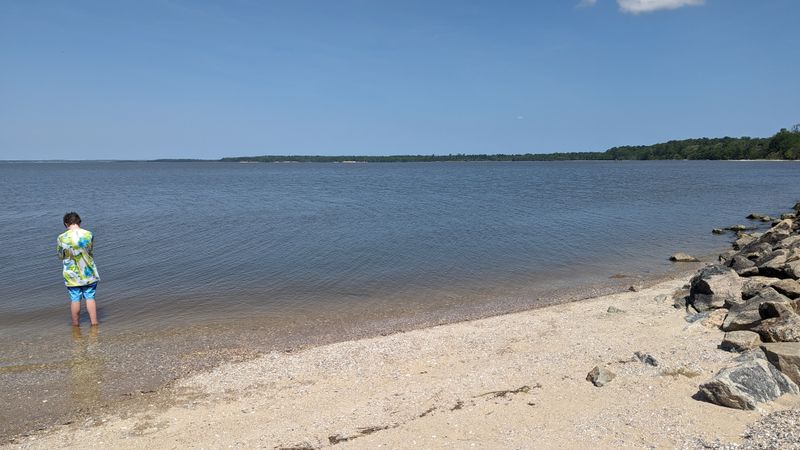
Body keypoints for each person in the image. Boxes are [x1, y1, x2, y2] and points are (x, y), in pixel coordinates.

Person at [57, 212, 100, 326]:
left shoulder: (61, 237)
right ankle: (94, 323)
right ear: (79, 222)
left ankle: (76, 324)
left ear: (66, 224)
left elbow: (60, 256)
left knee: (75, 299)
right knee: (90, 297)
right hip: (88, 271)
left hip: (71, 273)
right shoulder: (88, 234)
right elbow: (90, 251)